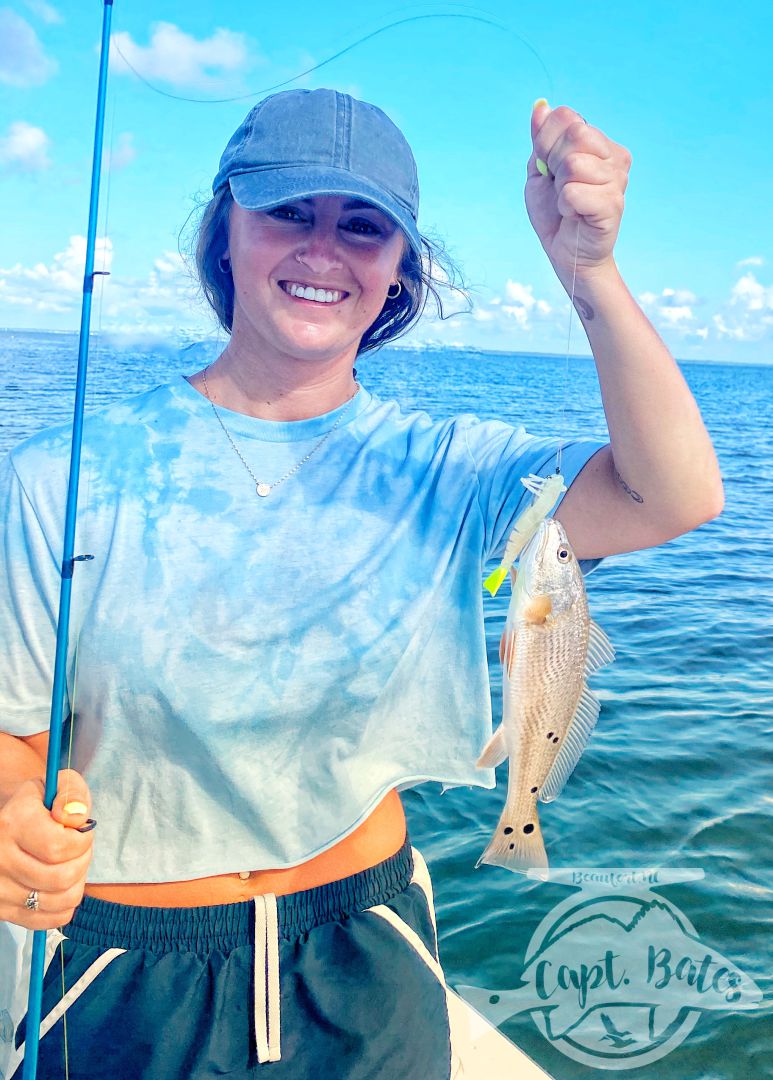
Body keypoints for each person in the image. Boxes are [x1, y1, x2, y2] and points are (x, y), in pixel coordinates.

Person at [0, 88, 722, 1079]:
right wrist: (12, 814)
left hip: (366, 951)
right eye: (289, 212)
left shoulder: (448, 469)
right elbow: (15, 729)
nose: (322, 250)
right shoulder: (62, 472)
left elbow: (670, 495)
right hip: (125, 967)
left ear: (396, 272)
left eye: (363, 227)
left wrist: (586, 269)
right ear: (225, 233)